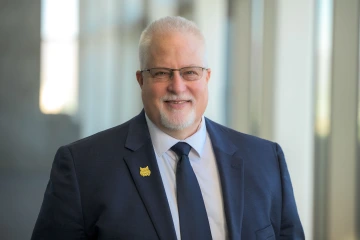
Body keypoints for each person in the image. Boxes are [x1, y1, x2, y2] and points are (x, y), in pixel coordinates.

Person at [31, 16, 304, 240]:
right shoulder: (83, 168)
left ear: (207, 77)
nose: (177, 86)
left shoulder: (266, 160)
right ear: (141, 80)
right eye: (161, 73)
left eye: (190, 72)